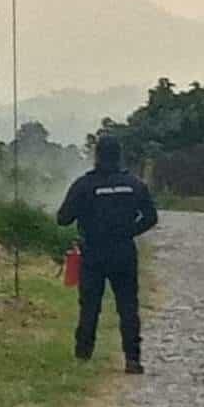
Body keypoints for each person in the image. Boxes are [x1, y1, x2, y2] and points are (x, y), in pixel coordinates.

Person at [57, 135, 158, 374]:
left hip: (93, 253)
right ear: (119, 155)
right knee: (128, 307)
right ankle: (133, 360)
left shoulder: (84, 185)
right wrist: (129, 231)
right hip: (123, 252)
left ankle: (83, 356)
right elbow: (151, 217)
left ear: (97, 156)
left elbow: (63, 219)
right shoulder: (134, 184)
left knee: (90, 306)